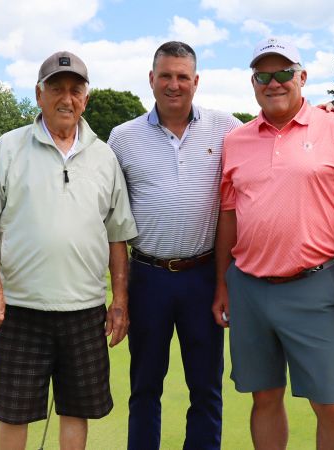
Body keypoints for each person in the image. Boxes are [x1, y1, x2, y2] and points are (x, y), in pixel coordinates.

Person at [0, 51, 138, 450]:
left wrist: (119, 299)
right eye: (56, 88)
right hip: (19, 309)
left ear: (85, 98)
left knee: (76, 409)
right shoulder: (8, 148)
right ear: (39, 94)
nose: (66, 98)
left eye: (75, 90)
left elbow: (117, 236)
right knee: (13, 411)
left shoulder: (104, 156)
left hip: (85, 310)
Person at [212, 37, 334, 450]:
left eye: (284, 73)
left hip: (313, 285)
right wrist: (222, 283)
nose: (274, 83)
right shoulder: (236, 140)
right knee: (264, 397)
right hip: (249, 287)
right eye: (263, 75)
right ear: (253, 82)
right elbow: (229, 217)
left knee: (331, 405)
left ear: (302, 77)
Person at [108, 41, 243, 450]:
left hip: (204, 276)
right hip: (146, 276)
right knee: (145, 387)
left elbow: (271, 139)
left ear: (196, 81)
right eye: (165, 75)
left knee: (206, 387)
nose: (173, 84)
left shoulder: (227, 128)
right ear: (151, 79)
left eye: (183, 76)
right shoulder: (122, 137)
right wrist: (119, 295)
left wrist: (321, 115)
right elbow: (113, 220)